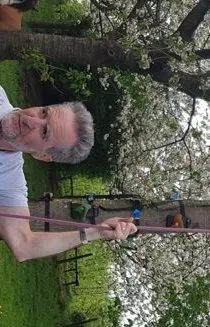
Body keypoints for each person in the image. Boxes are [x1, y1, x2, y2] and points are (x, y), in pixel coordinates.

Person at [0, 84, 137, 261]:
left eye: (44, 132)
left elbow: (24, 245)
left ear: (42, 155)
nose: (29, 120)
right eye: (43, 112)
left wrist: (95, 232)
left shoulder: (8, 178)